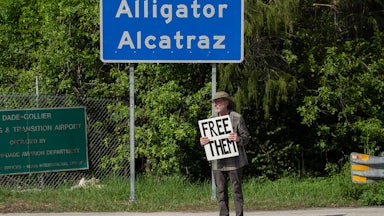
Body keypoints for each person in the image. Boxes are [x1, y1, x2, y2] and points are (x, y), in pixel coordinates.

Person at [200, 91, 250, 216]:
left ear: (226, 103)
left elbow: (246, 137)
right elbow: (207, 141)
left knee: (236, 190)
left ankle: (239, 214)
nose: (216, 104)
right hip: (218, 162)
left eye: (218, 101)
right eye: (214, 102)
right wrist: (203, 142)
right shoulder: (211, 121)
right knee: (221, 191)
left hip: (235, 161)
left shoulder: (237, 117)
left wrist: (238, 139)